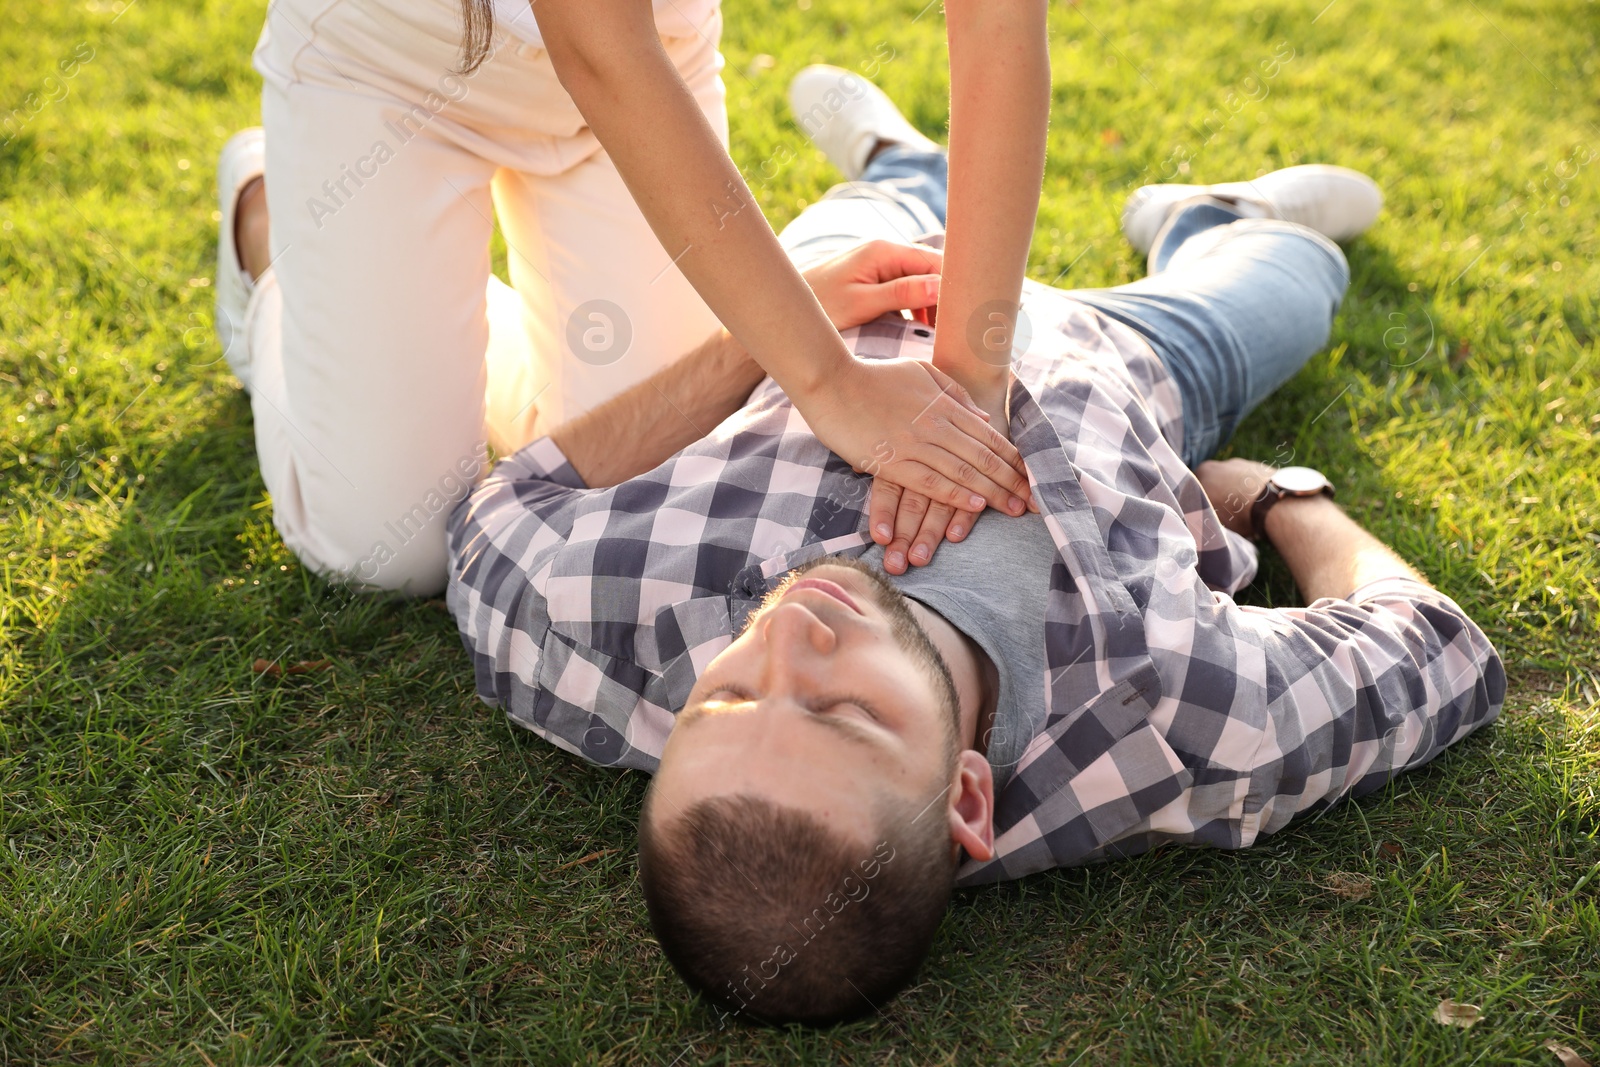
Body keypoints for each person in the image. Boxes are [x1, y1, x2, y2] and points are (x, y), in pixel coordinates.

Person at [446, 75, 1505, 1025]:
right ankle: (1206, 213)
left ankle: (903, 166)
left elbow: (496, 527)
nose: (793, 640)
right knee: (1301, 272)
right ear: (965, 797)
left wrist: (748, 348)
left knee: (874, 214)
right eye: (845, 710)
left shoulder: (601, 647)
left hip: (843, 299)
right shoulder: (1188, 725)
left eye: (723, 702)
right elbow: (1433, 646)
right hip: (1121, 363)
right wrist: (1274, 500)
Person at [211, 0, 1048, 596]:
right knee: (389, 552)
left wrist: (970, 384)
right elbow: (595, 46)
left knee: (637, 465)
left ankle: (420, 325)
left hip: (652, 66)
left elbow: (997, 20)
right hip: (391, 60)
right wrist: (826, 378)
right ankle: (270, 238)